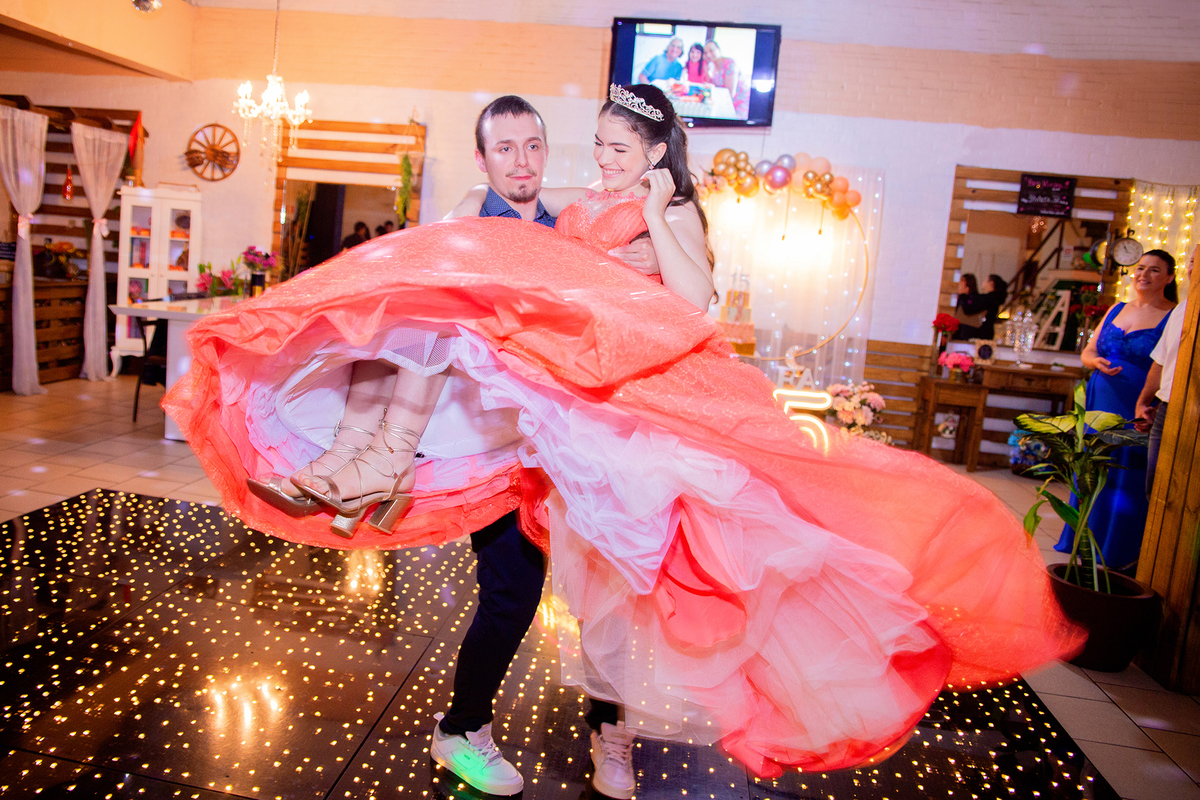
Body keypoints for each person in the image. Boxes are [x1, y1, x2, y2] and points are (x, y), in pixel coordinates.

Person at [164, 85, 1081, 797]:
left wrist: (651, 202)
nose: (564, 159)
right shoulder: (512, 223)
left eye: (588, 146)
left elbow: (693, 304)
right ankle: (450, 687)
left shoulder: (657, 207)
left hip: (606, 429)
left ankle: (609, 734)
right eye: (524, 147)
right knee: (513, 594)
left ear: (645, 151)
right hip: (520, 438)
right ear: (485, 156)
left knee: (617, 596)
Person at [1055, 250, 1177, 571]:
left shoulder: (1173, 315)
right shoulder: (1117, 308)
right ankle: (1084, 537)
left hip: (1136, 402)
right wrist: (1094, 362)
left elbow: (1166, 365)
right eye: (1140, 269)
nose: (1144, 275)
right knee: (1093, 467)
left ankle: (1118, 546)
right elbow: (1089, 351)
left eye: (1154, 270)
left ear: (1169, 278)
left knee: (1126, 474)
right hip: (1100, 399)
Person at [1136, 245, 1195, 499]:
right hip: (1165, 408)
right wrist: (1144, 402)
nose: (1195, 268)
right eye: (1192, 262)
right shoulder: (1182, 309)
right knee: (1156, 489)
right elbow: (1161, 361)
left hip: (1192, 409)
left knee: (1184, 493)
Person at [703, 39, 750, 119]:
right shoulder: (711, 66)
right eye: (706, 53)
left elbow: (730, 93)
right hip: (724, 103)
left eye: (711, 51)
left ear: (719, 50)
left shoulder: (730, 63)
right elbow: (710, 87)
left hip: (738, 105)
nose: (708, 55)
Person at [955, 273, 1007, 340]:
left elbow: (969, 309)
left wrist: (963, 295)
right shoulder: (993, 298)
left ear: (991, 283)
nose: (983, 282)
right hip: (985, 331)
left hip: (980, 332)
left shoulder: (988, 299)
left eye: (986, 280)